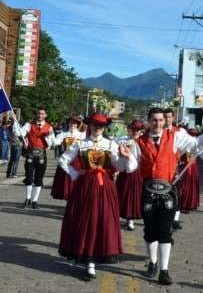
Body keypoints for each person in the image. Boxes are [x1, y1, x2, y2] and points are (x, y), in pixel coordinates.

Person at [132, 107, 203, 285]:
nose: (157, 123)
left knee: (165, 230)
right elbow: (130, 166)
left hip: (168, 191)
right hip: (148, 191)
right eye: (154, 120)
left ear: (165, 121)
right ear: (149, 120)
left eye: (161, 120)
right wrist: (123, 157)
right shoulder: (138, 142)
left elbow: (197, 144)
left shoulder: (175, 137)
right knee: (150, 230)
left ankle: (164, 270)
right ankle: (153, 262)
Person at [57, 113, 136, 281]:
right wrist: (75, 174)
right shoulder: (81, 144)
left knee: (102, 221)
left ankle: (94, 257)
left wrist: (126, 156)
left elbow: (122, 167)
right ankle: (87, 259)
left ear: (104, 127)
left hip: (104, 188)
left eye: (101, 125)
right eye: (95, 124)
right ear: (90, 125)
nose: (98, 127)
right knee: (85, 221)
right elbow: (63, 160)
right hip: (84, 187)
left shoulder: (111, 144)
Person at [14, 107, 55, 209]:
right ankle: (27, 198)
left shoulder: (49, 127)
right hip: (30, 154)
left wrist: (49, 136)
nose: (40, 115)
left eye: (42, 114)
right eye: (39, 113)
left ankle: (35, 200)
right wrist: (15, 122)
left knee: (38, 178)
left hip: (41, 154)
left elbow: (53, 143)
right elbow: (19, 133)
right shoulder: (30, 124)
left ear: (45, 115)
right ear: (37, 114)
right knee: (28, 177)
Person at [116, 119, 145, 231]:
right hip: (125, 172)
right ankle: (123, 219)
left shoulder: (143, 142)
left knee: (136, 196)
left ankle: (132, 220)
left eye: (137, 130)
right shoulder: (123, 141)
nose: (135, 132)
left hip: (139, 172)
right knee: (123, 195)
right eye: (133, 129)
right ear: (129, 130)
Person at [51, 115, 86, 200]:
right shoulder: (63, 134)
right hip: (65, 161)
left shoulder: (82, 135)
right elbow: (55, 143)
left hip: (76, 162)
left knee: (75, 184)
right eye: (71, 122)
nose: (72, 124)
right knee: (65, 185)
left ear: (77, 124)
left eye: (74, 123)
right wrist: (50, 134)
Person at [163, 107, 186, 230]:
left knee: (176, 194)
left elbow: (189, 145)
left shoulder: (179, 132)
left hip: (174, 168)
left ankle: (175, 219)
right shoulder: (158, 132)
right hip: (161, 170)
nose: (167, 120)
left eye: (169, 117)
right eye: (165, 117)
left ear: (173, 118)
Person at [178, 128, 202, 214]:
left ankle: (185, 204)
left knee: (186, 185)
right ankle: (187, 204)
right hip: (188, 165)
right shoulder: (195, 142)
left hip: (188, 165)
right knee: (187, 185)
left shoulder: (190, 142)